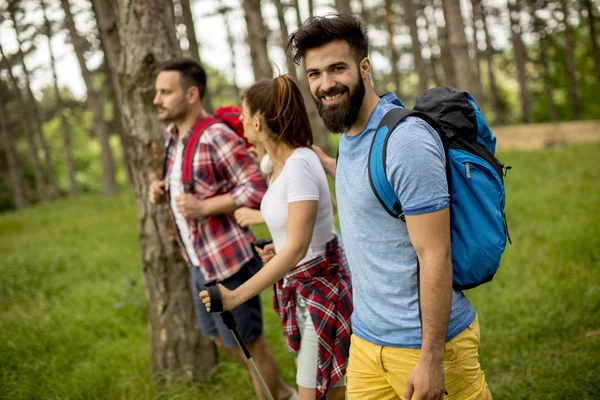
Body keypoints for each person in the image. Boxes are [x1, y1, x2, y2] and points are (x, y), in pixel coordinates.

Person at [287, 14, 492, 400]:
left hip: (425, 347)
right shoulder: (350, 132)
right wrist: (318, 161)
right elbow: (369, 188)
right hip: (366, 342)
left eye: (337, 69)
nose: (326, 84)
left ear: (364, 68)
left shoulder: (405, 142)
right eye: (314, 74)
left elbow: (435, 253)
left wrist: (430, 358)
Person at [147, 58, 295, 400]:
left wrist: (206, 207)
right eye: (157, 92)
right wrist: (162, 190)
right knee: (221, 339)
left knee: (251, 348)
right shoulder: (173, 138)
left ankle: (279, 395)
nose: (157, 100)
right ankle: (285, 392)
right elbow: (190, 182)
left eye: (165, 92)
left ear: (192, 94)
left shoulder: (215, 135)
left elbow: (256, 188)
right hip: (199, 262)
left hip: (229, 262)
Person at [200, 75, 352, 400]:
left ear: (257, 120)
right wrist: (278, 246)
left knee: (322, 392)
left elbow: (298, 248)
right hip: (303, 286)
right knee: (332, 391)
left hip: (321, 290)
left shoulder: (297, 165)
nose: (239, 120)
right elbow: (328, 209)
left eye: (242, 113)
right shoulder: (281, 164)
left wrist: (235, 296)